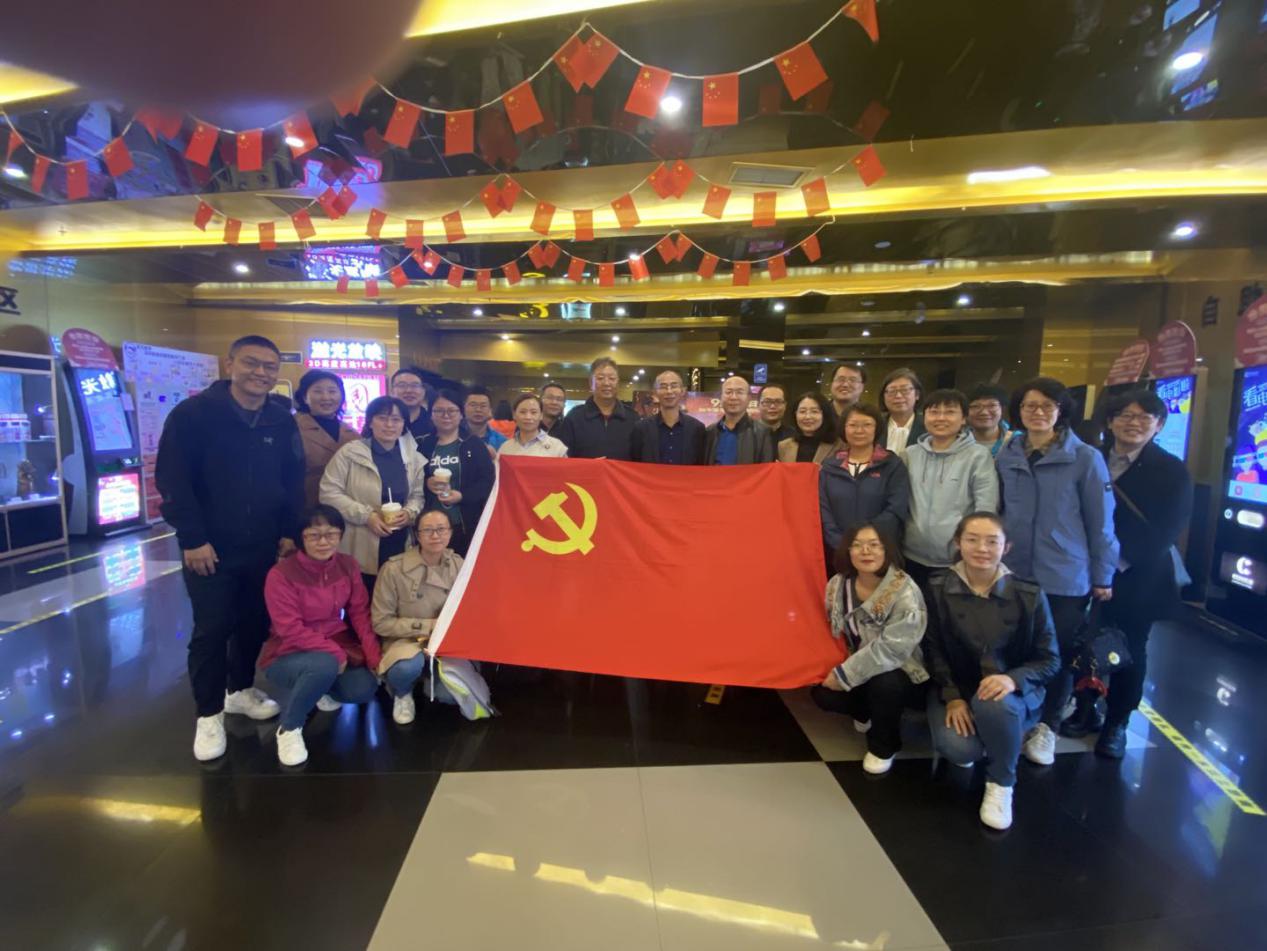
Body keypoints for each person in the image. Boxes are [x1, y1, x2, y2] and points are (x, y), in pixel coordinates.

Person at [156, 334, 304, 762]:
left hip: (263, 543)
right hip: (210, 546)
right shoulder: (193, 415)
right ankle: (208, 715)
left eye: (269, 367)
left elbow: (292, 478)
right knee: (212, 628)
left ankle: (239, 689)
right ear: (230, 364)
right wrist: (193, 538)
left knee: (254, 621)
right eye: (251, 363)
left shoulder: (280, 418)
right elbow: (173, 480)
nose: (260, 373)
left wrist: (289, 531)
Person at [997, 377, 1118, 767]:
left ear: (1061, 411)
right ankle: (1019, 716)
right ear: (1018, 411)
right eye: (1029, 405)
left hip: (1065, 573)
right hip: (1014, 570)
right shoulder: (1007, 453)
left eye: (1047, 406)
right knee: (1017, 648)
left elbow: (1101, 523)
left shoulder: (1084, 457)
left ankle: (1047, 725)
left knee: (1058, 653)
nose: (1038, 412)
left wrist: (1103, 575)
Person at [925, 512, 1059, 831]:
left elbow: (1050, 659)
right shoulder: (937, 588)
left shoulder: (1028, 594)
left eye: (992, 541)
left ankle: (1001, 783)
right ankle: (1006, 737)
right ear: (958, 543)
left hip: (1007, 693)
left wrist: (1012, 679)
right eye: (972, 539)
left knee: (994, 705)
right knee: (961, 749)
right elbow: (932, 649)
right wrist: (953, 697)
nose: (981, 548)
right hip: (956, 688)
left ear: (1006, 547)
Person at [1087, 390, 1193, 758]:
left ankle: (1117, 721)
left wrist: (1111, 567)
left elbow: (1166, 531)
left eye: (1144, 417)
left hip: (1136, 575)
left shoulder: (1172, 471)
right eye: (1125, 415)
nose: (1133, 423)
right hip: (1085, 569)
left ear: (1159, 425)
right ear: (1110, 421)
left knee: (1129, 648)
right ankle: (1085, 707)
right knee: (1086, 642)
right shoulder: (1092, 457)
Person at [258, 505, 383, 767]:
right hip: (287, 653)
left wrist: (373, 655)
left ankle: (318, 687)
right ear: (301, 538)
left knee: (364, 688)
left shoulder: (348, 565)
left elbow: (359, 612)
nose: (324, 542)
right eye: (314, 535)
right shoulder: (281, 574)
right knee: (324, 664)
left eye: (331, 534)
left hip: (334, 641)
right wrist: (335, 653)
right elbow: (289, 629)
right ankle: (290, 728)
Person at [811, 523, 929, 775]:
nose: (866, 551)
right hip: (854, 662)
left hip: (899, 668)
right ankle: (865, 711)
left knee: (885, 685)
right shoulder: (837, 584)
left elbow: (893, 649)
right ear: (848, 551)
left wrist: (845, 675)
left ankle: (883, 747)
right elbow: (830, 628)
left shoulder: (904, 590)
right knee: (822, 694)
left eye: (874, 545)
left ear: (887, 550)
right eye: (857, 545)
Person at [319, 395, 426, 596]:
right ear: (370, 421)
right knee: (360, 596)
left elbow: (418, 496)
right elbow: (329, 492)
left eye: (396, 419)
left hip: (399, 539)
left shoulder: (413, 458)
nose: (389, 425)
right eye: (382, 418)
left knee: (395, 595)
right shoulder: (350, 453)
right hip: (360, 540)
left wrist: (409, 512)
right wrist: (366, 516)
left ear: (404, 424)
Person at [900, 389, 999, 592]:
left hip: (956, 559)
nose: (941, 418)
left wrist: (974, 546)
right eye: (934, 411)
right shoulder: (910, 454)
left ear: (963, 419)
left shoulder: (978, 456)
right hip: (911, 556)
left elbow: (986, 507)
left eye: (950, 412)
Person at [372, 510, 466, 724]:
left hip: (445, 642)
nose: (435, 535)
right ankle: (402, 693)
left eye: (441, 529)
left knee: (448, 697)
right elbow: (381, 622)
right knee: (406, 668)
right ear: (417, 535)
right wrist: (429, 626)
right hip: (406, 640)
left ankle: (429, 680)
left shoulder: (458, 564)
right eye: (428, 530)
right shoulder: (393, 569)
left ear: (450, 533)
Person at [819, 403, 910, 555]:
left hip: (879, 549)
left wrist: (865, 543)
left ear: (877, 428)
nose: (859, 430)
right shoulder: (829, 466)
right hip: (836, 550)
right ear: (844, 429)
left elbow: (895, 509)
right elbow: (824, 510)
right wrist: (840, 543)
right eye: (853, 425)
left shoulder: (892, 465)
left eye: (867, 425)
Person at [417, 388, 496, 557]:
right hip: (430, 526)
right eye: (439, 411)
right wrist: (426, 482)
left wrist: (461, 496)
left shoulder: (474, 444)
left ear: (461, 414)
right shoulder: (423, 444)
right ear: (431, 414)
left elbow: (487, 482)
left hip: (464, 524)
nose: (446, 416)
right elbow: (411, 480)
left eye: (452, 411)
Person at [294, 369, 359, 508]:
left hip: (348, 508)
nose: (326, 397)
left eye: (332, 391)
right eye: (318, 391)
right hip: (307, 508)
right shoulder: (293, 428)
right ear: (304, 397)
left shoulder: (352, 433)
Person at [553, 357, 638, 460]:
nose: (606, 383)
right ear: (591, 383)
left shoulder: (632, 418)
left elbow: (639, 459)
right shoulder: (574, 417)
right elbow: (563, 457)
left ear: (618, 383)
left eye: (612, 378)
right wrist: (590, 466)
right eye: (600, 378)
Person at [631, 369, 706, 464]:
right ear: (655, 393)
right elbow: (634, 465)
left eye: (674, 386)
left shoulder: (697, 428)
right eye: (663, 387)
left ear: (683, 391)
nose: (669, 391)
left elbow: (702, 465)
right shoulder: (641, 428)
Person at [705, 375, 776, 465]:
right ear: (721, 397)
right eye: (728, 392)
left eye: (740, 392)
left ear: (749, 398)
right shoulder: (709, 432)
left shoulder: (763, 433)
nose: (733, 397)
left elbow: (766, 469)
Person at [777, 391, 840, 465]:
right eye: (802, 411)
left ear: (825, 415)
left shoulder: (839, 445)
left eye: (814, 411)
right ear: (795, 414)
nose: (808, 417)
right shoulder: (783, 446)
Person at [499, 393, 568, 457]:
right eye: (522, 412)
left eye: (533, 412)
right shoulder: (505, 448)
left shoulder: (557, 447)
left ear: (541, 415)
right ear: (514, 415)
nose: (528, 417)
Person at [880, 368, 926, 452]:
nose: (898, 396)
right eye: (892, 391)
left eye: (905, 390)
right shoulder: (876, 424)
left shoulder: (928, 426)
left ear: (917, 395)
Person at [967, 383, 1015, 458]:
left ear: (1002, 409)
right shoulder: (955, 442)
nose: (984, 412)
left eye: (992, 405)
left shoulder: (1018, 441)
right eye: (976, 406)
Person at [391, 367, 435, 443]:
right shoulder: (382, 422)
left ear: (423, 391)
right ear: (392, 391)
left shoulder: (434, 423)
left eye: (415, 386)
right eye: (402, 385)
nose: (409, 390)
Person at [464, 385, 507, 452]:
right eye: (473, 405)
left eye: (483, 406)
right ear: (464, 408)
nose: (478, 409)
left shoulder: (501, 442)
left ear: (490, 410)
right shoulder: (452, 436)